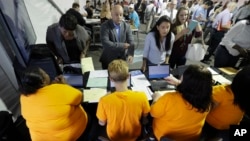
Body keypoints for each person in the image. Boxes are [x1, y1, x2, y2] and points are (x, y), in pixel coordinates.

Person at [19, 67, 88, 141]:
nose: (47, 74)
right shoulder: (58, 89)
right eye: (45, 74)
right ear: (43, 81)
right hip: (70, 136)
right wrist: (65, 85)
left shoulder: (23, 97)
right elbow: (80, 98)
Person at [150, 64, 213, 141]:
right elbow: (195, 89)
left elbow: (153, 113)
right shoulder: (207, 102)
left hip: (165, 136)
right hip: (192, 137)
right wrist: (179, 83)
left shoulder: (170, 98)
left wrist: (156, 98)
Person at [96, 59, 150, 141]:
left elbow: (101, 123)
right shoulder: (142, 96)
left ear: (111, 79)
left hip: (113, 137)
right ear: (128, 76)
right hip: (135, 136)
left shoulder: (104, 100)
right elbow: (145, 116)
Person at [202, 65, 250, 140]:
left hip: (212, 126)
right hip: (230, 127)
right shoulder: (246, 96)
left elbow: (204, 110)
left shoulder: (221, 91)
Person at [99, 4, 134, 69]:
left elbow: (131, 41)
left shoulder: (127, 26)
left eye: (121, 14)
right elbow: (106, 43)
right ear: (111, 15)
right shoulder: (105, 26)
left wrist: (130, 54)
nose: (119, 17)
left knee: (121, 77)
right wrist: (122, 45)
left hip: (122, 59)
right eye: (116, 14)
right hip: (108, 59)